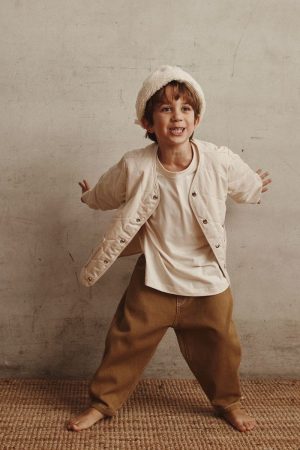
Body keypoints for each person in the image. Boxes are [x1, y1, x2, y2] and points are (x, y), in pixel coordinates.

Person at [67, 65, 272, 433]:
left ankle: (229, 403)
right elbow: (106, 193)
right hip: (154, 279)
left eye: (185, 109)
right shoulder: (135, 165)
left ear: (196, 118)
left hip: (207, 279)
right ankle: (102, 404)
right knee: (124, 343)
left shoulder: (218, 159)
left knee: (223, 347)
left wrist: (256, 186)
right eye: (165, 109)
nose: (176, 116)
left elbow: (246, 186)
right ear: (147, 122)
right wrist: (88, 196)